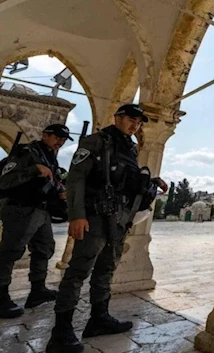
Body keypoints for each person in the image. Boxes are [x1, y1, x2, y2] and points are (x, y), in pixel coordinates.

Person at [46, 104, 168, 353]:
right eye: (131, 119)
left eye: (140, 122)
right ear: (117, 118)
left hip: (118, 220)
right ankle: (61, 331)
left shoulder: (129, 148)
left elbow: (124, 181)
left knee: (105, 270)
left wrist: (150, 182)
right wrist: (77, 216)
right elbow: (77, 178)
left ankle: (99, 318)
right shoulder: (96, 142)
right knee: (79, 271)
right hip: (95, 218)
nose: (136, 125)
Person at [0, 124, 72, 319]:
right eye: (57, 137)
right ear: (45, 135)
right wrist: (33, 170)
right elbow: (4, 180)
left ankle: (37, 290)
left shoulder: (50, 157)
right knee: (10, 252)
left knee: (45, 248)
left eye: (64, 139)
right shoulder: (26, 153)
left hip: (41, 210)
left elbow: (50, 183)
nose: (60, 142)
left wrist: (60, 194)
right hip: (21, 208)